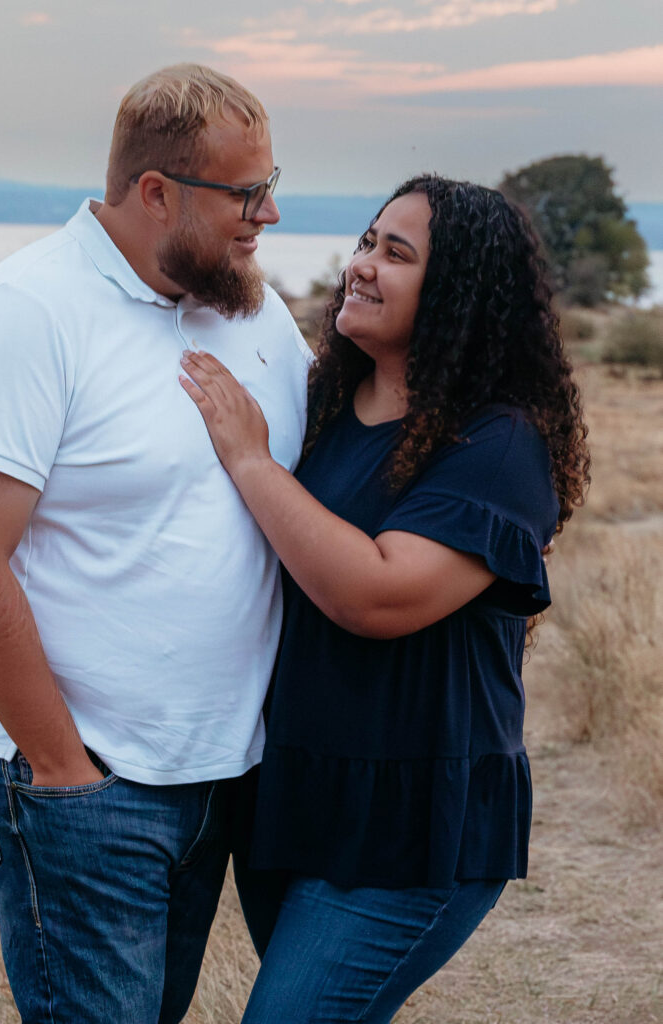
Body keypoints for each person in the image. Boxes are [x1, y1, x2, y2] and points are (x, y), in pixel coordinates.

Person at [0, 64, 311, 1024]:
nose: (267, 214)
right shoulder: (31, 310)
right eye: (246, 193)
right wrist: (63, 772)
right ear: (156, 193)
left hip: (231, 776)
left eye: (272, 185)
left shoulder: (253, 308)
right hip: (90, 785)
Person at [179, 174, 591, 1023]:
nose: (362, 265)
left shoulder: (499, 442)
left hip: (411, 826)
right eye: (366, 241)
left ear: (457, 293)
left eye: (395, 254)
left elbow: (376, 593)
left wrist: (252, 461)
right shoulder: (326, 404)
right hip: (293, 801)